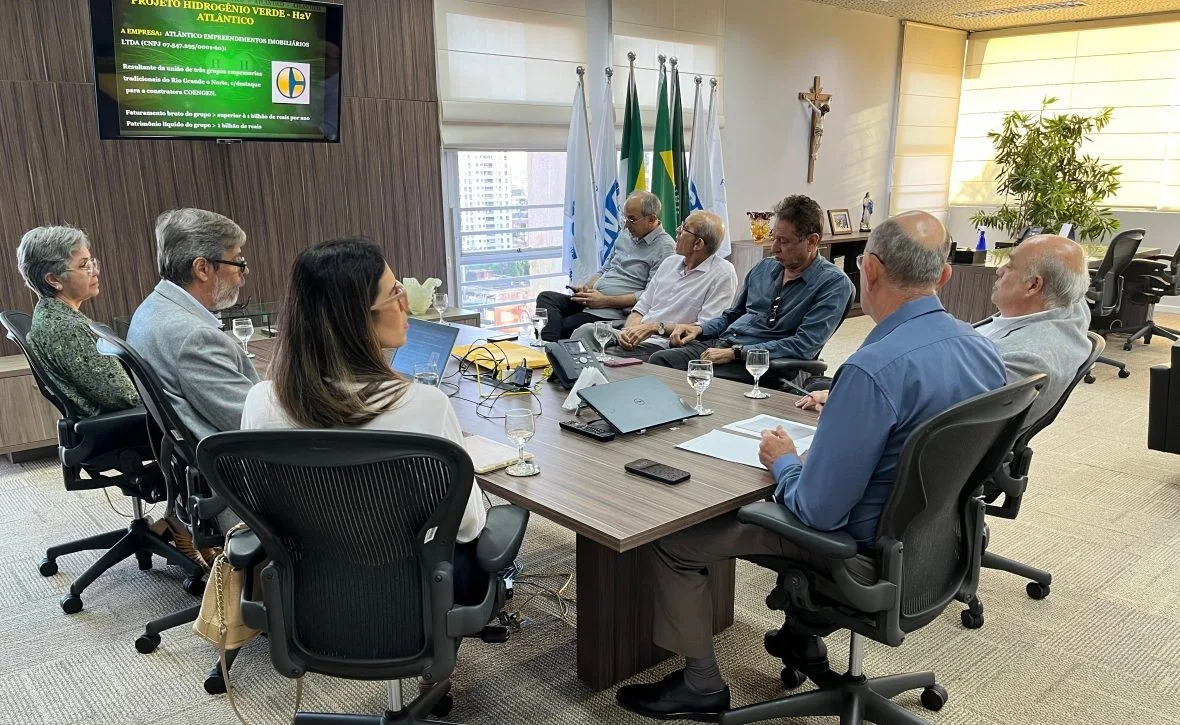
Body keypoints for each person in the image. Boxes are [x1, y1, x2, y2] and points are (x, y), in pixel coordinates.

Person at [615, 211, 1007, 721]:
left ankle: (702, 685)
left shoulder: (872, 369)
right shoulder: (983, 349)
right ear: (945, 275)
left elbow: (818, 512)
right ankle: (803, 641)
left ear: (866, 270)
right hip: (938, 544)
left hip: (856, 550)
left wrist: (786, 463)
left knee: (673, 541)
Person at [240, 238, 489, 604]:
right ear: (356, 318)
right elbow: (467, 528)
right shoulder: (424, 405)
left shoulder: (260, 401)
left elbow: (261, 512)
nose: (405, 304)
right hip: (414, 593)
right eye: (394, 294)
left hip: (304, 592)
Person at [649, 194, 854, 383]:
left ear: (812, 242)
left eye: (783, 241)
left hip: (762, 364)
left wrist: (738, 352)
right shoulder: (764, 268)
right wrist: (699, 328)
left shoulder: (833, 284)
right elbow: (732, 315)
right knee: (659, 362)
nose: (774, 248)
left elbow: (803, 345)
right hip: (722, 345)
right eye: (774, 238)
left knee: (698, 378)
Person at [127, 208, 257, 441]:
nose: (244, 272)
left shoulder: (151, 309)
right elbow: (252, 423)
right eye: (238, 262)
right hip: (244, 466)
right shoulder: (194, 339)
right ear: (202, 268)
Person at [570, 210, 737, 361]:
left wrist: (654, 328)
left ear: (698, 244)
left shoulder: (722, 273)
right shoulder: (670, 263)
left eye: (684, 229)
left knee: (603, 357)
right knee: (584, 332)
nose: (677, 232)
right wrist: (630, 331)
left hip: (664, 345)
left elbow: (703, 327)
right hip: (636, 333)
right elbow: (642, 306)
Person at [16, 225, 140, 417]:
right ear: (54, 280)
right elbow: (126, 397)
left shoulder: (54, 315)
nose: (95, 272)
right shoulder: (68, 329)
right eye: (83, 266)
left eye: (91, 262)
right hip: (124, 431)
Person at [975, 234, 1092, 423]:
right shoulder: (1070, 307)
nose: (999, 270)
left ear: (1033, 285)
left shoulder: (1021, 359)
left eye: (1010, 266)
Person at [535, 190, 675, 342]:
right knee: (546, 298)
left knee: (564, 326)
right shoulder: (626, 234)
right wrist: (587, 288)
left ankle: (548, 353)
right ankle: (547, 351)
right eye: (625, 219)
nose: (626, 226)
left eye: (632, 220)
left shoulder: (665, 248)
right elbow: (605, 269)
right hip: (593, 299)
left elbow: (649, 295)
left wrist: (605, 300)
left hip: (613, 309)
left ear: (651, 219)